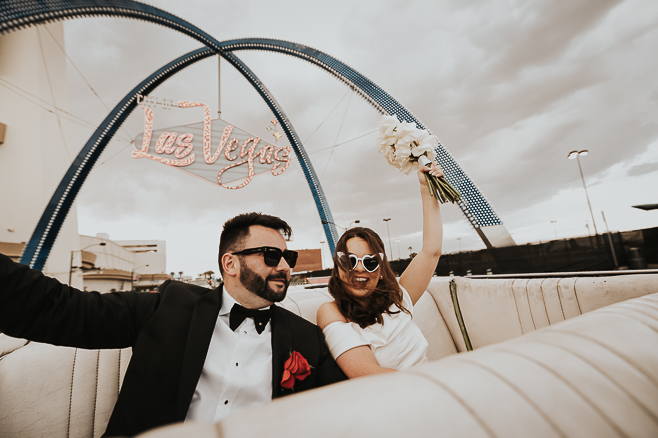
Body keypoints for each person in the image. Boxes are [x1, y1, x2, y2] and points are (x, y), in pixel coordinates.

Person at [0, 212, 346, 437]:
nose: (284, 266)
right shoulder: (169, 305)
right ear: (230, 263)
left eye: (289, 257)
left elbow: (345, 407)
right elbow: (62, 310)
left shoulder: (307, 338)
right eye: (271, 255)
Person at [317, 164, 443, 378]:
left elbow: (431, 251)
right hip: (397, 396)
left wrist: (426, 187)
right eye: (349, 261)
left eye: (370, 262)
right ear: (337, 267)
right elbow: (368, 374)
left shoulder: (399, 299)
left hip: (428, 387)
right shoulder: (331, 311)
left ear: (382, 270)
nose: (359, 269)